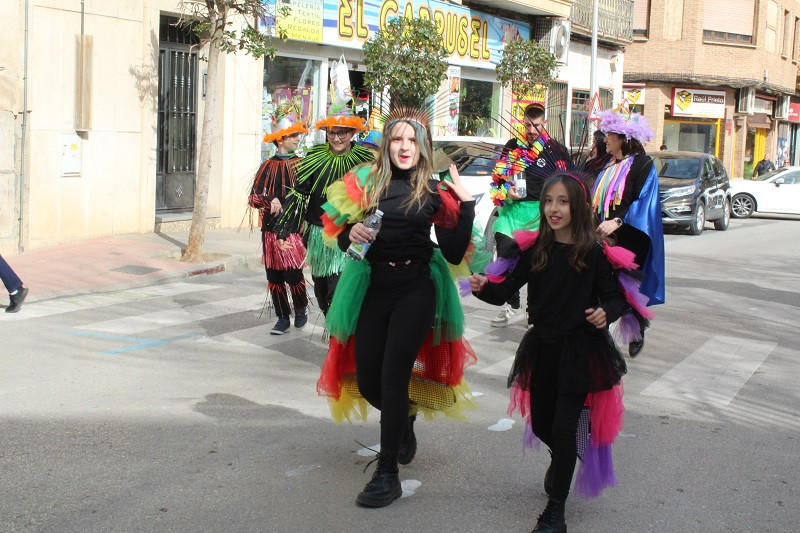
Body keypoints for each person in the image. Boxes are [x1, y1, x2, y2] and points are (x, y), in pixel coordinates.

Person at [316, 107, 477, 508]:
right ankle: (402, 417)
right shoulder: (364, 183)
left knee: (392, 376)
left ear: (423, 147)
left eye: (412, 140)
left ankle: (387, 474)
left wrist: (468, 206)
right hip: (374, 285)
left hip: (416, 289)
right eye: (397, 139)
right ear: (386, 143)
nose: (404, 147)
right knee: (370, 382)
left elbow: (456, 252)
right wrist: (349, 233)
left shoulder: (434, 192)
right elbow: (342, 240)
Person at [470, 173, 628, 533]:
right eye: (548, 200)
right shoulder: (536, 249)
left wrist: (608, 313)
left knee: (563, 425)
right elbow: (503, 290)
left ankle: (555, 511)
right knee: (543, 424)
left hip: (580, 349)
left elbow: (616, 298)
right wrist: (482, 288)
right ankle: (562, 456)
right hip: (542, 347)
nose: (554, 209)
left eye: (563, 201)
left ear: (578, 206)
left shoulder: (592, 252)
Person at [274, 106, 372, 317]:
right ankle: (333, 327)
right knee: (321, 291)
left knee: (338, 291)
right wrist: (284, 230)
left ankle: (339, 338)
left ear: (352, 133)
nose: (336, 139)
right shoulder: (314, 157)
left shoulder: (364, 160)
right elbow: (299, 195)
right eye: (331, 132)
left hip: (349, 236)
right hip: (318, 235)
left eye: (342, 133)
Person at [593, 109, 665, 357]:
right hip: (603, 235)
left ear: (622, 137)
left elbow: (643, 201)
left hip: (630, 235)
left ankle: (636, 329)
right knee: (602, 284)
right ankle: (600, 332)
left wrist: (618, 221)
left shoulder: (643, 164)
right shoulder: (608, 164)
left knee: (626, 288)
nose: (604, 139)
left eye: (608, 135)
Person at [489, 103, 558, 327]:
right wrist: (504, 191)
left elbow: (566, 182)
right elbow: (497, 179)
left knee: (539, 263)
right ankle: (513, 305)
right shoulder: (512, 146)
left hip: (540, 213)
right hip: (513, 211)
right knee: (506, 257)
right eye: (527, 125)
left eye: (536, 126)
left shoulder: (554, 149)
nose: (531, 130)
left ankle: (533, 309)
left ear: (544, 124)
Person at [249, 108, 309, 334]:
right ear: (281, 140)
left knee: (293, 273)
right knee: (274, 276)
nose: (297, 139)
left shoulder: (302, 164)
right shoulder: (267, 166)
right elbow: (253, 197)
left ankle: (301, 307)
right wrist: (268, 199)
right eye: (293, 135)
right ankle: (283, 318)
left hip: (293, 229)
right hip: (270, 230)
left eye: (297, 135)